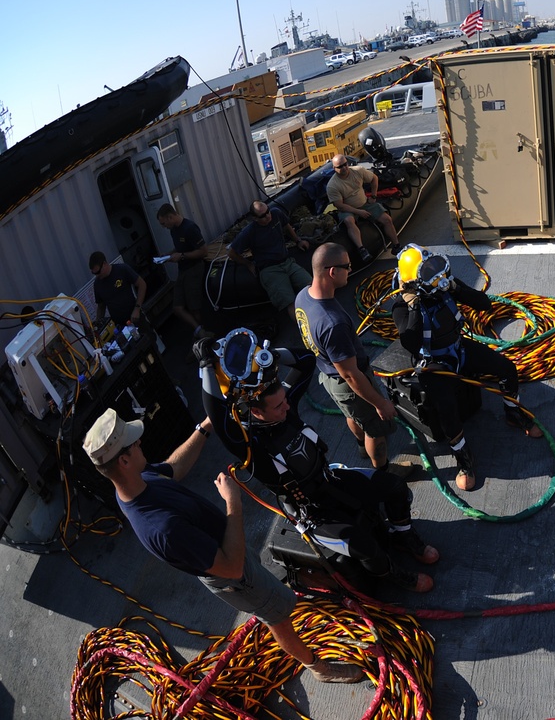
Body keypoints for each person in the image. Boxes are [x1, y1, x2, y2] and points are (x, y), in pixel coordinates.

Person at [82, 408, 364, 683]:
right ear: (124, 461)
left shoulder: (137, 481)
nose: (141, 442)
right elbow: (231, 566)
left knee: (263, 581)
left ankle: (287, 586)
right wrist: (233, 503)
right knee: (276, 615)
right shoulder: (161, 528)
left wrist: (207, 425)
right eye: (134, 443)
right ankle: (317, 666)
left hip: (230, 551)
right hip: (233, 573)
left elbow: (173, 468)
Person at [198, 333, 437, 592]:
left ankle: (402, 535)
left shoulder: (284, 410)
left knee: (395, 488)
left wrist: (265, 357)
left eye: (285, 401)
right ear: (256, 412)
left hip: (330, 479)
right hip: (313, 513)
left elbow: (305, 361)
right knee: (366, 549)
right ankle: (392, 575)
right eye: (278, 406)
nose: (287, 407)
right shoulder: (251, 447)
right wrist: (207, 368)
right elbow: (218, 416)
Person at [390, 244, 542, 491]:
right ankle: (464, 460)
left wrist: (456, 287)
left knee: (507, 368)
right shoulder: (401, 307)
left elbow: (483, 304)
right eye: (428, 272)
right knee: (448, 410)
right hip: (433, 364)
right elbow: (410, 342)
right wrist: (414, 306)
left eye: (437, 267)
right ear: (414, 281)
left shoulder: (444, 287)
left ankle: (513, 414)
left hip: (458, 349)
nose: (438, 276)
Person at [295, 243, 397, 469]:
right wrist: (380, 403)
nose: (350, 270)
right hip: (349, 382)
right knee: (375, 427)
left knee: (353, 415)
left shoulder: (303, 296)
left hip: (328, 377)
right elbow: (351, 376)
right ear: (332, 272)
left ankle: (361, 445)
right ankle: (383, 471)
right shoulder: (333, 323)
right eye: (347, 266)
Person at [228, 201, 312, 320]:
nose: (268, 216)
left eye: (268, 211)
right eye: (263, 215)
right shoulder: (249, 232)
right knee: (290, 302)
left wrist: (298, 240)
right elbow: (231, 253)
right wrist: (248, 264)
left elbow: (286, 225)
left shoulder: (276, 214)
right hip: (270, 269)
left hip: (287, 262)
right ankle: (305, 331)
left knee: (311, 285)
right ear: (255, 218)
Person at [325, 154, 402, 263]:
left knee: (387, 219)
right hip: (348, 209)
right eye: (340, 167)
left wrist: (374, 196)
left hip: (365, 203)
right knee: (349, 221)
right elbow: (339, 205)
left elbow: (374, 178)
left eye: (345, 164)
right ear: (334, 168)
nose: (344, 168)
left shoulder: (358, 171)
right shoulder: (332, 185)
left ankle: (396, 245)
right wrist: (358, 212)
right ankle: (362, 249)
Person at [156, 203, 213, 339]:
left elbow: (203, 251)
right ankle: (200, 332)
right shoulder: (173, 230)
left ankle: (202, 336)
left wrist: (182, 256)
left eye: (164, 223)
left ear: (170, 217)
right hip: (183, 269)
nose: (164, 227)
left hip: (193, 268)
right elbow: (180, 247)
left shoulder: (189, 228)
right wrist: (168, 256)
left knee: (194, 307)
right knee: (177, 307)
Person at [89, 251, 147, 329]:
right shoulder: (97, 284)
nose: (97, 275)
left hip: (135, 318)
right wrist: (97, 326)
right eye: (94, 273)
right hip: (120, 326)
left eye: (98, 272)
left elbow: (142, 285)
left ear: (105, 263)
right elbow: (101, 306)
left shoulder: (122, 269)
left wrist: (137, 308)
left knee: (147, 338)